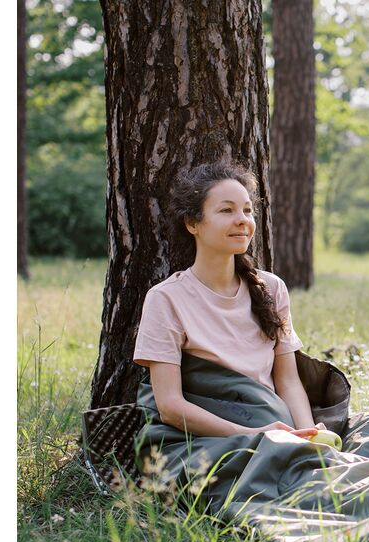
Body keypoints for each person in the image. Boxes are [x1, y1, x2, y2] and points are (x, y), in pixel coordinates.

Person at [133, 159, 324, 440]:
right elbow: (170, 408)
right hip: (214, 439)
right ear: (192, 223)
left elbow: (288, 381)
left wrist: (308, 435)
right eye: (226, 210)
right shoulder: (166, 299)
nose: (242, 220)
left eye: (247, 210)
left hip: (276, 428)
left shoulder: (271, 288)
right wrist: (253, 435)